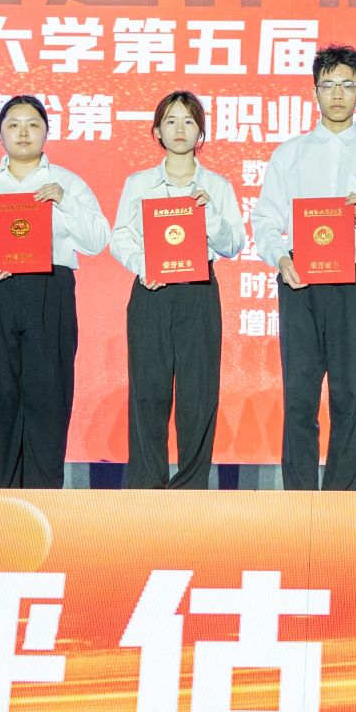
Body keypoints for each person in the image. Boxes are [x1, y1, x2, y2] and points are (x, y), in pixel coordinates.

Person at [249, 45, 356, 490]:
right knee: (299, 394)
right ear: (314, 91)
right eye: (328, 85)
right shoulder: (290, 154)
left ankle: (344, 498)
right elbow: (265, 220)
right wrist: (281, 258)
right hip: (300, 279)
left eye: (347, 85)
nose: (337, 94)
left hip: (354, 278)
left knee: (351, 394)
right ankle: (300, 497)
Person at [0, 94, 109, 489]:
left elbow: (97, 240)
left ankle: (44, 493)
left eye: (33, 124)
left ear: (46, 132)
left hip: (50, 290)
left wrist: (63, 202)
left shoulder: (68, 182)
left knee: (49, 394)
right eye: (13, 124)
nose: (23, 132)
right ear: (0, 134)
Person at [108, 91, 245, 490]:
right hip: (151, 291)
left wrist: (210, 214)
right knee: (148, 392)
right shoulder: (139, 184)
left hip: (197, 292)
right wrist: (144, 265)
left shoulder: (217, 186)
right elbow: (120, 237)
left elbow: (233, 244)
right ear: (157, 131)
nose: (179, 129)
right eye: (170, 121)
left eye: (189, 121)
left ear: (201, 132)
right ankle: (147, 486)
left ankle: (191, 487)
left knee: (197, 395)